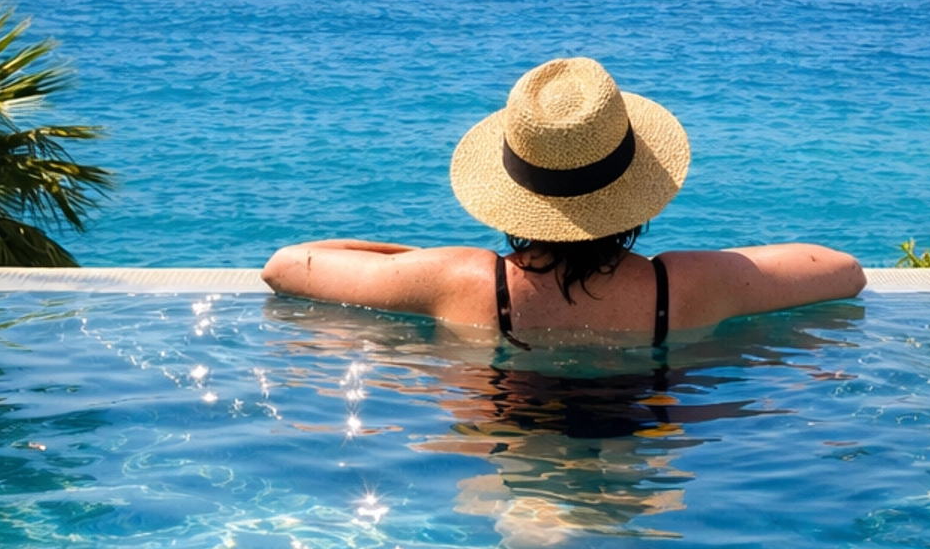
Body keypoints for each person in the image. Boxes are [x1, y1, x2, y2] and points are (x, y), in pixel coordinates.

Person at [263, 56, 864, 342]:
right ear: (637, 194)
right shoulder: (690, 285)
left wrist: (411, 260)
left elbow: (286, 265)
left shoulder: (455, 278)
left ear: (511, 194)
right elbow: (843, 270)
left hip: (508, 448)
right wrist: (729, 266)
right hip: (647, 452)